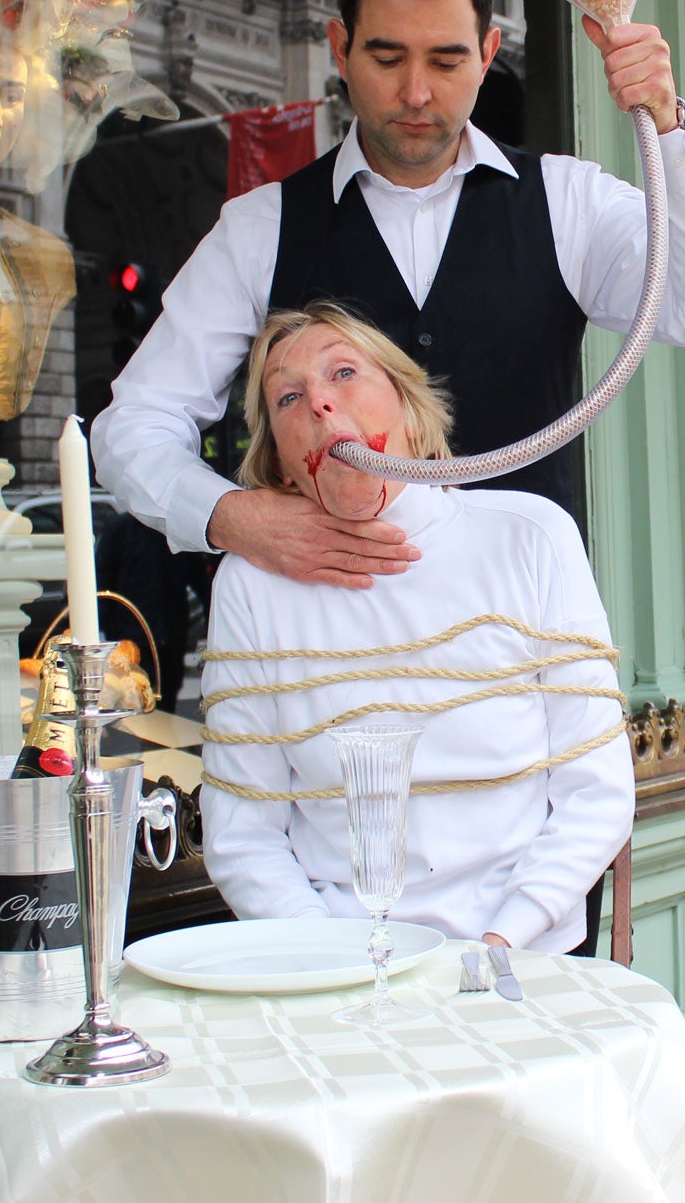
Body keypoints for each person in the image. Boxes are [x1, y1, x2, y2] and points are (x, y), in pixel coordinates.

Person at [92, 0, 685, 589]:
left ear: (487, 51)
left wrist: (669, 124)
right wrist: (233, 517)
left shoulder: (566, 202)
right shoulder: (260, 226)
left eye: (446, 60)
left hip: (521, 637)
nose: (416, 92)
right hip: (328, 641)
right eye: (387, 58)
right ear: (340, 48)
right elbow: (135, 425)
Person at [199, 305, 634, 954]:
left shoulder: (530, 536)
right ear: (284, 464)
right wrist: (334, 960)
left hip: (523, 953)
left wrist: (503, 939)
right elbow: (243, 833)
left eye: (343, 372)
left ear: (407, 408)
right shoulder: (252, 585)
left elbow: (594, 789)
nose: (319, 402)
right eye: (288, 396)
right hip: (340, 965)